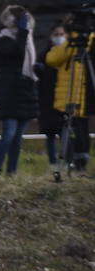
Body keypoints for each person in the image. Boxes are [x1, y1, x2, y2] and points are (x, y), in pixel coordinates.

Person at [0, 6, 39, 178]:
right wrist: (22, 31)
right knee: (9, 134)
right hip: (10, 92)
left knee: (19, 137)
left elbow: (29, 61)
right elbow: (17, 53)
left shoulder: (28, 38)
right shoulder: (3, 38)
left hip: (26, 90)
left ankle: (12, 171)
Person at [45, 15, 90, 175]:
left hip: (79, 99)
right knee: (72, 132)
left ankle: (79, 165)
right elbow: (51, 58)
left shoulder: (81, 43)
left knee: (80, 134)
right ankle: (73, 165)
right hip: (69, 99)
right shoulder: (69, 46)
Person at [37, 23, 70, 182]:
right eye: (56, 34)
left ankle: (67, 165)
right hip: (48, 101)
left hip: (64, 99)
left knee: (66, 133)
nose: (59, 37)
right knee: (50, 135)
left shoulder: (71, 55)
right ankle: (53, 166)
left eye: (61, 34)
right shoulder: (44, 55)